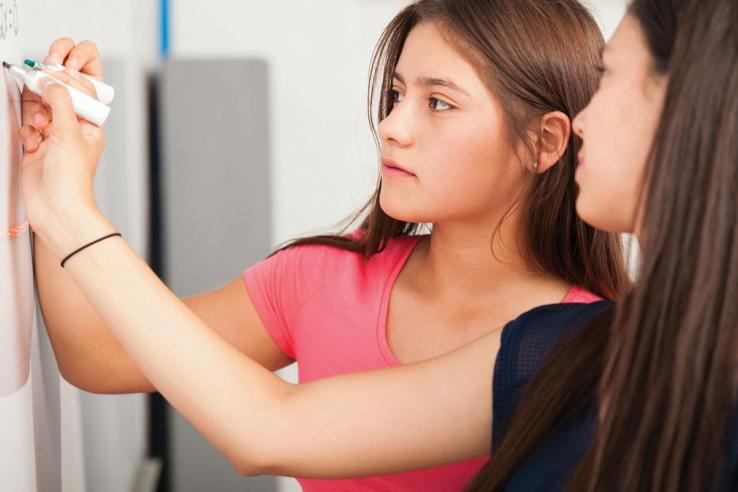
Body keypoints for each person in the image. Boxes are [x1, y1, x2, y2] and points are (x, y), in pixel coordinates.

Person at [19, 0, 625, 490]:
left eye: (438, 102)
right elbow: (96, 357)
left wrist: (74, 213)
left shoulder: (590, 349)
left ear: (543, 143)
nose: (392, 126)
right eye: (396, 95)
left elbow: (267, 431)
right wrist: (52, 179)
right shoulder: (320, 278)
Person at [467, 0, 738, 489]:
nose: (581, 122)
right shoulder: (561, 349)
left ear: (689, 97)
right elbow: (290, 424)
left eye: (607, 75)